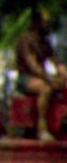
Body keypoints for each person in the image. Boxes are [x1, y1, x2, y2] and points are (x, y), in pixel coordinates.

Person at [14, 7, 62, 138]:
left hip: (42, 77)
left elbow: (58, 63)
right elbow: (33, 66)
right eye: (45, 23)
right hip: (25, 79)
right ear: (37, 23)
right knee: (44, 88)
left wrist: (63, 75)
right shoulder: (26, 40)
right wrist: (50, 79)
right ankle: (42, 127)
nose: (48, 26)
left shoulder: (45, 43)